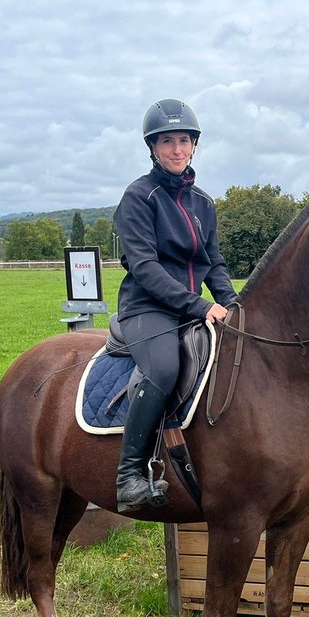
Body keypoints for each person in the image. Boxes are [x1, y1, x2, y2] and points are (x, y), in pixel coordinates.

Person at [112, 99, 237, 512]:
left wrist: (233, 303)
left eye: (184, 140)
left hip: (193, 306)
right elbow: (145, 267)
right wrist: (199, 307)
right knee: (164, 367)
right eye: (168, 142)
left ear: (194, 146)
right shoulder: (138, 197)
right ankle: (129, 473)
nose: (177, 149)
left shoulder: (203, 202)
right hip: (148, 309)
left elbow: (212, 262)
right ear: (153, 147)